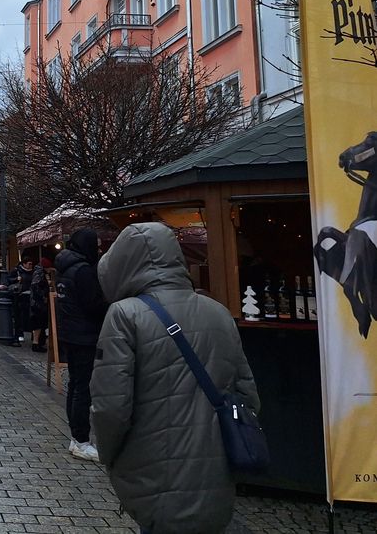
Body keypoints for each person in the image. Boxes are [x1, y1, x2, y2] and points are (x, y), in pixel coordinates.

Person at [90, 223, 259, 534]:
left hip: (153, 467)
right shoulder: (218, 312)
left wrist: (109, 455)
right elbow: (248, 396)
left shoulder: (125, 315)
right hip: (214, 473)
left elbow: (110, 408)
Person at [55, 227, 107, 462]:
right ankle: (81, 440)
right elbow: (93, 305)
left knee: (76, 385)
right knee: (83, 388)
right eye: (95, 245)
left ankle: (77, 437)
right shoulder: (82, 271)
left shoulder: (65, 267)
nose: (98, 250)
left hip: (70, 333)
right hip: (84, 334)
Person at [9, 255, 36, 343]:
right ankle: (19, 334)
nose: (30, 266)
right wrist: (16, 279)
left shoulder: (34, 272)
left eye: (31, 264)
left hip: (30, 296)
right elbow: (9, 280)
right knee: (19, 316)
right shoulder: (17, 271)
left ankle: (33, 334)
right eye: (29, 264)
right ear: (24, 264)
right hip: (19, 296)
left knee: (31, 316)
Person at [28, 255, 52, 352]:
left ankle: (38, 342)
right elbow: (36, 287)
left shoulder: (38, 272)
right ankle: (36, 343)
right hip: (38, 303)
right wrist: (44, 297)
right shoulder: (39, 274)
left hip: (36, 302)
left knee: (39, 323)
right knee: (39, 322)